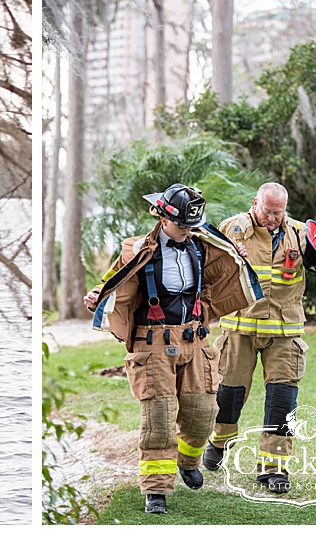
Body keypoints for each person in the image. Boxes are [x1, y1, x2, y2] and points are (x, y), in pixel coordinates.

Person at [84, 183, 262, 514]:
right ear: (163, 217)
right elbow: (115, 278)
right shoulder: (137, 249)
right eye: (182, 226)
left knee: (203, 412)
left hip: (194, 340)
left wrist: (238, 255)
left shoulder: (200, 246)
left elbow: (223, 272)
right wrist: (97, 293)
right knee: (159, 418)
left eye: (191, 226)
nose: (187, 231)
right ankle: (156, 490)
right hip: (151, 344)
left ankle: (188, 460)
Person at [202, 182, 316, 494]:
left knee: (283, 403)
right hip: (239, 328)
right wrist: (231, 256)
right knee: (228, 399)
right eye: (267, 210)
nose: (273, 217)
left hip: (285, 333)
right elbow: (208, 271)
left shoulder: (302, 234)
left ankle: (274, 468)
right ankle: (219, 441)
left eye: (279, 212)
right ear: (255, 202)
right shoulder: (231, 228)